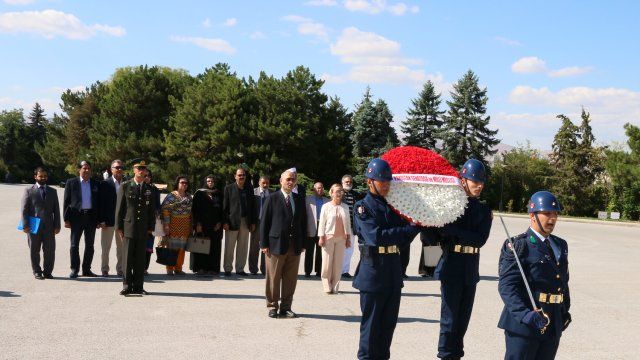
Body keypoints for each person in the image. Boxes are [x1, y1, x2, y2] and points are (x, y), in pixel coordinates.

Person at [422, 158, 493, 360]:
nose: (478, 185)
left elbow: (480, 240)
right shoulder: (450, 207)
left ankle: (456, 355)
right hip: (451, 265)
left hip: (470, 268)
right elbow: (432, 237)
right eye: (474, 181)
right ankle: (445, 354)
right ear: (463, 181)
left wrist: (452, 230)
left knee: (463, 320)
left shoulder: (484, 211)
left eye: (481, 182)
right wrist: (428, 224)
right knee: (449, 319)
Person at [353, 158, 421, 360]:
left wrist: (413, 228)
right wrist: (407, 229)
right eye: (381, 181)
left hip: (392, 272)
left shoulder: (393, 207)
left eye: (388, 181)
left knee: (387, 329)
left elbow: (403, 238)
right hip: (373, 273)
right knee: (371, 330)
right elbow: (376, 237)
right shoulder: (362, 207)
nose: (385, 185)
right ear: (369, 182)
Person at [498, 191, 571, 360]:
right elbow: (507, 286)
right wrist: (525, 314)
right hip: (526, 324)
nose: (552, 219)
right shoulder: (519, 245)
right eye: (546, 213)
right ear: (532, 215)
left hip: (552, 323)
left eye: (555, 214)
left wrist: (564, 310)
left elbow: (563, 280)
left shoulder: (560, 245)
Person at [260, 169, 307, 319]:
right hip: (275, 245)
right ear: (281, 181)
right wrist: (264, 244)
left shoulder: (299, 199)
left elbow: (303, 222)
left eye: (293, 179)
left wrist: (303, 242)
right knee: (273, 277)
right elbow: (264, 223)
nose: (290, 182)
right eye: (288, 179)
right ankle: (273, 306)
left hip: (294, 245)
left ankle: (286, 307)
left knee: (290, 279)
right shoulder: (272, 198)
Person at [115, 161, 156, 295]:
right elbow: (120, 209)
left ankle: (138, 286)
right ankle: (127, 286)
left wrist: (151, 227)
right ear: (134, 170)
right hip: (129, 227)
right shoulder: (125, 186)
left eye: (143, 169)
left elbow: (151, 211)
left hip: (143, 228)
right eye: (139, 168)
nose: (141, 171)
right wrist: (119, 227)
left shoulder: (149, 189)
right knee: (127, 258)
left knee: (140, 259)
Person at [20, 167, 61, 279]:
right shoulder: (29, 190)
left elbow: (56, 210)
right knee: (34, 249)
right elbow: (24, 209)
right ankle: (37, 271)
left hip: (49, 226)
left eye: (45, 176)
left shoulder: (53, 191)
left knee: (50, 250)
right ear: (35, 177)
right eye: (40, 176)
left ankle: (48, 271)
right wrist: (25, 225)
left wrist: (57, 226)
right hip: (33, 226)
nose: (43, 178)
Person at [63, 160, 101, 278]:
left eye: (89, 168)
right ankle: (74, 269)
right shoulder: (71, 182)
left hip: (91, 218)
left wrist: (99, 220)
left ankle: (86, 269)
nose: (87, 170)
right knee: (74, 245)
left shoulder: (95, 183)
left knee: (90, 245)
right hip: (76, 218)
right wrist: (66, 219)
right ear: (79, 170)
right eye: (84, 168)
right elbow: (66, 201)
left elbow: (99, 203)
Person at [317, 183, 351, 294]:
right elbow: (322, 223)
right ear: (331, 193)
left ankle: (335, 286)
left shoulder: (345, 207)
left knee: (338, 264)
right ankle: (327, 285)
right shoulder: (326, 206)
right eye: (336, 191)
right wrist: (321, 237)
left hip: (341, 238)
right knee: (327, 263)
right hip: (328, 237)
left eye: (341, 191)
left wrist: (348, 238)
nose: (339, 193)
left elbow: (348, 223)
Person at [223, 168, 256, 276]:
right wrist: (225, 221)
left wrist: (253, 222)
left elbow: (253, 207)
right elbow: (225, 207)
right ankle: (228, 269)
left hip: (245, 221)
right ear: (235, 176)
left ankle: (240, 269)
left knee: (243, 247)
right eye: (240, 175)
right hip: (232, 222)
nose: (242, 177)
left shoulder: (249, 189)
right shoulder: (229, 188)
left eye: (243, 175)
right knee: (229, 247)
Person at [192, 175, 224, 276]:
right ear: (205, 182)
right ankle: (201, 268)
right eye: (208, 181)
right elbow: (195, 210)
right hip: (202, 225)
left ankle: (213, 269)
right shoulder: (199, 193)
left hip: (215, 226)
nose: (210, 183)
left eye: (212, 181)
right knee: (201, 246)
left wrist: (220, 222)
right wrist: (197, 224)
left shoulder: (218, 193)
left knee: (214, 247)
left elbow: (223, 209)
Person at [161, 176, 193, 276]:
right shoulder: (171, 196)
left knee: (182, 249)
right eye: (182, 182)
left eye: (186, 183)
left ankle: (178, 268)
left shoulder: (189, 196)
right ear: (177, 183)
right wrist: (166, 225)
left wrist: (191, 226)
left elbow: (192, 212)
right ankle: (170, 268)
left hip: (185, 226)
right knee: (172, 248)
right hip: (172, 225)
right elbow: (165, 210)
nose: (184, 184)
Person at [99, 159, 125, 277]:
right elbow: (101, 203)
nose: (119, 169)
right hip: (108, 222)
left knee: (121, 248)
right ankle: (105, 269)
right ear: (111, 169)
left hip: (122, 222)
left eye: (121, 167)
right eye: (117, 167)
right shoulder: (105, 183)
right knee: (106, 247)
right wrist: (102, 220)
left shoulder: (126, 184)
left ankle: (120, 269)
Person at [304, 182, 327, 277]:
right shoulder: (308, 199)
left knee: (320, 251)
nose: (320, 190)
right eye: (318, 188)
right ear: (314, 189)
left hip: (323, 228)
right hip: (311, 226)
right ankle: (307, 271)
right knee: (309, 251)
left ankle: (318, 271)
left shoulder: (327, 201)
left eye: (321, 188)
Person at [341, 174, 361, 278]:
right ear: (342, 183)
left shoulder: (355, 195)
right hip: (341, 227)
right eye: (347, 182)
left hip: (352, 226)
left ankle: (345, 271)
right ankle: (337, 270)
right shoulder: (339, 193)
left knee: (349, 249)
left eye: (350, 182)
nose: (349, 183)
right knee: (340, 249)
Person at [249, 175, 270, 275]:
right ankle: (253, 269)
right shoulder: (253, 193)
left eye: (267, 183)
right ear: (259, 183)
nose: (265, 185)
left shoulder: (272, 194)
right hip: (256, 222)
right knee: (254, 247)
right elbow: (250, 209)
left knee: (266, 246)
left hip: (268, 223)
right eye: (263, 183)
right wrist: (251, 222)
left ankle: (264, 269)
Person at [143, 170, 161, 275]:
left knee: (148, 247)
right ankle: (136, 267)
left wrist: (157, 213)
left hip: (151, 222)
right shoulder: (137, 187)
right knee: (138, 246)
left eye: (149, 176)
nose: (147, 177)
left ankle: (145, 268)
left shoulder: (154, 189)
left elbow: (158, 205)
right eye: (145, 175)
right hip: (139, 222)